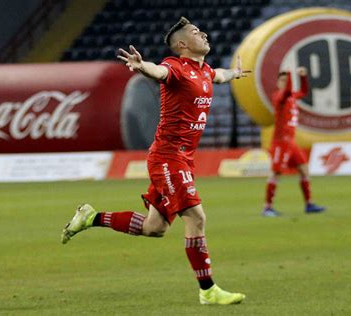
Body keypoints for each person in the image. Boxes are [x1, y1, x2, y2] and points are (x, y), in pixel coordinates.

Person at [61, 17, 250, 305]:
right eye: (197, 33)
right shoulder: (176, 67)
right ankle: (208, 290)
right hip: (168, 157)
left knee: (154, 228)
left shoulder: (204, 71)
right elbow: (158, 72)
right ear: (183, 44)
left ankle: (91, 217)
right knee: (196, 218)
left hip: (183, 159)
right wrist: (142, 67)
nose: (205, 34)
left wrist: (234, 73)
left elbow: (219, 75)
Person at [262, 67, 326, 217]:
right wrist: (290, 74)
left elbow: (303, 91)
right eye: (282, 80)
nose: (285, 82)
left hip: (291, 142)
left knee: (304, 169)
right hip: (280, 142)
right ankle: (267, 207)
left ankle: (309, 204)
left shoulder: (291, 97)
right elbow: (289, 90)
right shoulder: (279, 97)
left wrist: (303, 77)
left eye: (286, 80)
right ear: (278, 83)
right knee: (276, 172)